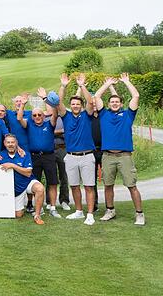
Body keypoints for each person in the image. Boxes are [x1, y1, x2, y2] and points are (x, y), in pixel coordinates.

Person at [94, 73, 144, 225]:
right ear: (108, 104)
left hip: (124, 157)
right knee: (108, 185)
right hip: (108, 156)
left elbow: (135, 96)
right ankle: (110, 210)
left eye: (117, 102)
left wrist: (127, 82)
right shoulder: (103, 115)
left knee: (131, 185)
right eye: (112, 102)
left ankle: (139, 214)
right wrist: (107, 84)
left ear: (121, 104)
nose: (114, 103)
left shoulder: (128, 115)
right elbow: (96, 96)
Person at [57, 73, 97, 225]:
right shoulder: (65, 116)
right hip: (71, 156)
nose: (75, 106)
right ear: (70, 105)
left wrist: (82, 85)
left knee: (88, 187)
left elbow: (90, 101)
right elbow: (59, 102)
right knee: (74, 186)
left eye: (77, 104)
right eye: (73, 104)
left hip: (87, 156)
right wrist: (63, 86)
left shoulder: (87, 115)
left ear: (81, 106)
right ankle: (79, 211)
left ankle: (90, 214)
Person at [16, 92, 61, 218]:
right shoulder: (29, 124)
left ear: (43, 115)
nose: (37, 117)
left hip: (49, 156)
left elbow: (55, 114)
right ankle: (38, 208)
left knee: (52, 182)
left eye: (39, 114)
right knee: (35, 182)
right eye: (34, 115)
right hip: (34, 156)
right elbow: (19, 118)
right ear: (32, 117)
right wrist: (23, 105)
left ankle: (52, 207)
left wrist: (45, 99)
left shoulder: (49, 124)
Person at [0, 135, 46, 225]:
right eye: (8, 142)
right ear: (4, 144)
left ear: (16, 143)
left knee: (40, 188)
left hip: (27, 182)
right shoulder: (1, 155)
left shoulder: (24, 154)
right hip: (14, 189)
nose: (10, 144)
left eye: (12, 142)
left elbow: (28, 173)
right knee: (18, 215)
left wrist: (13, 165)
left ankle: (37, 215)